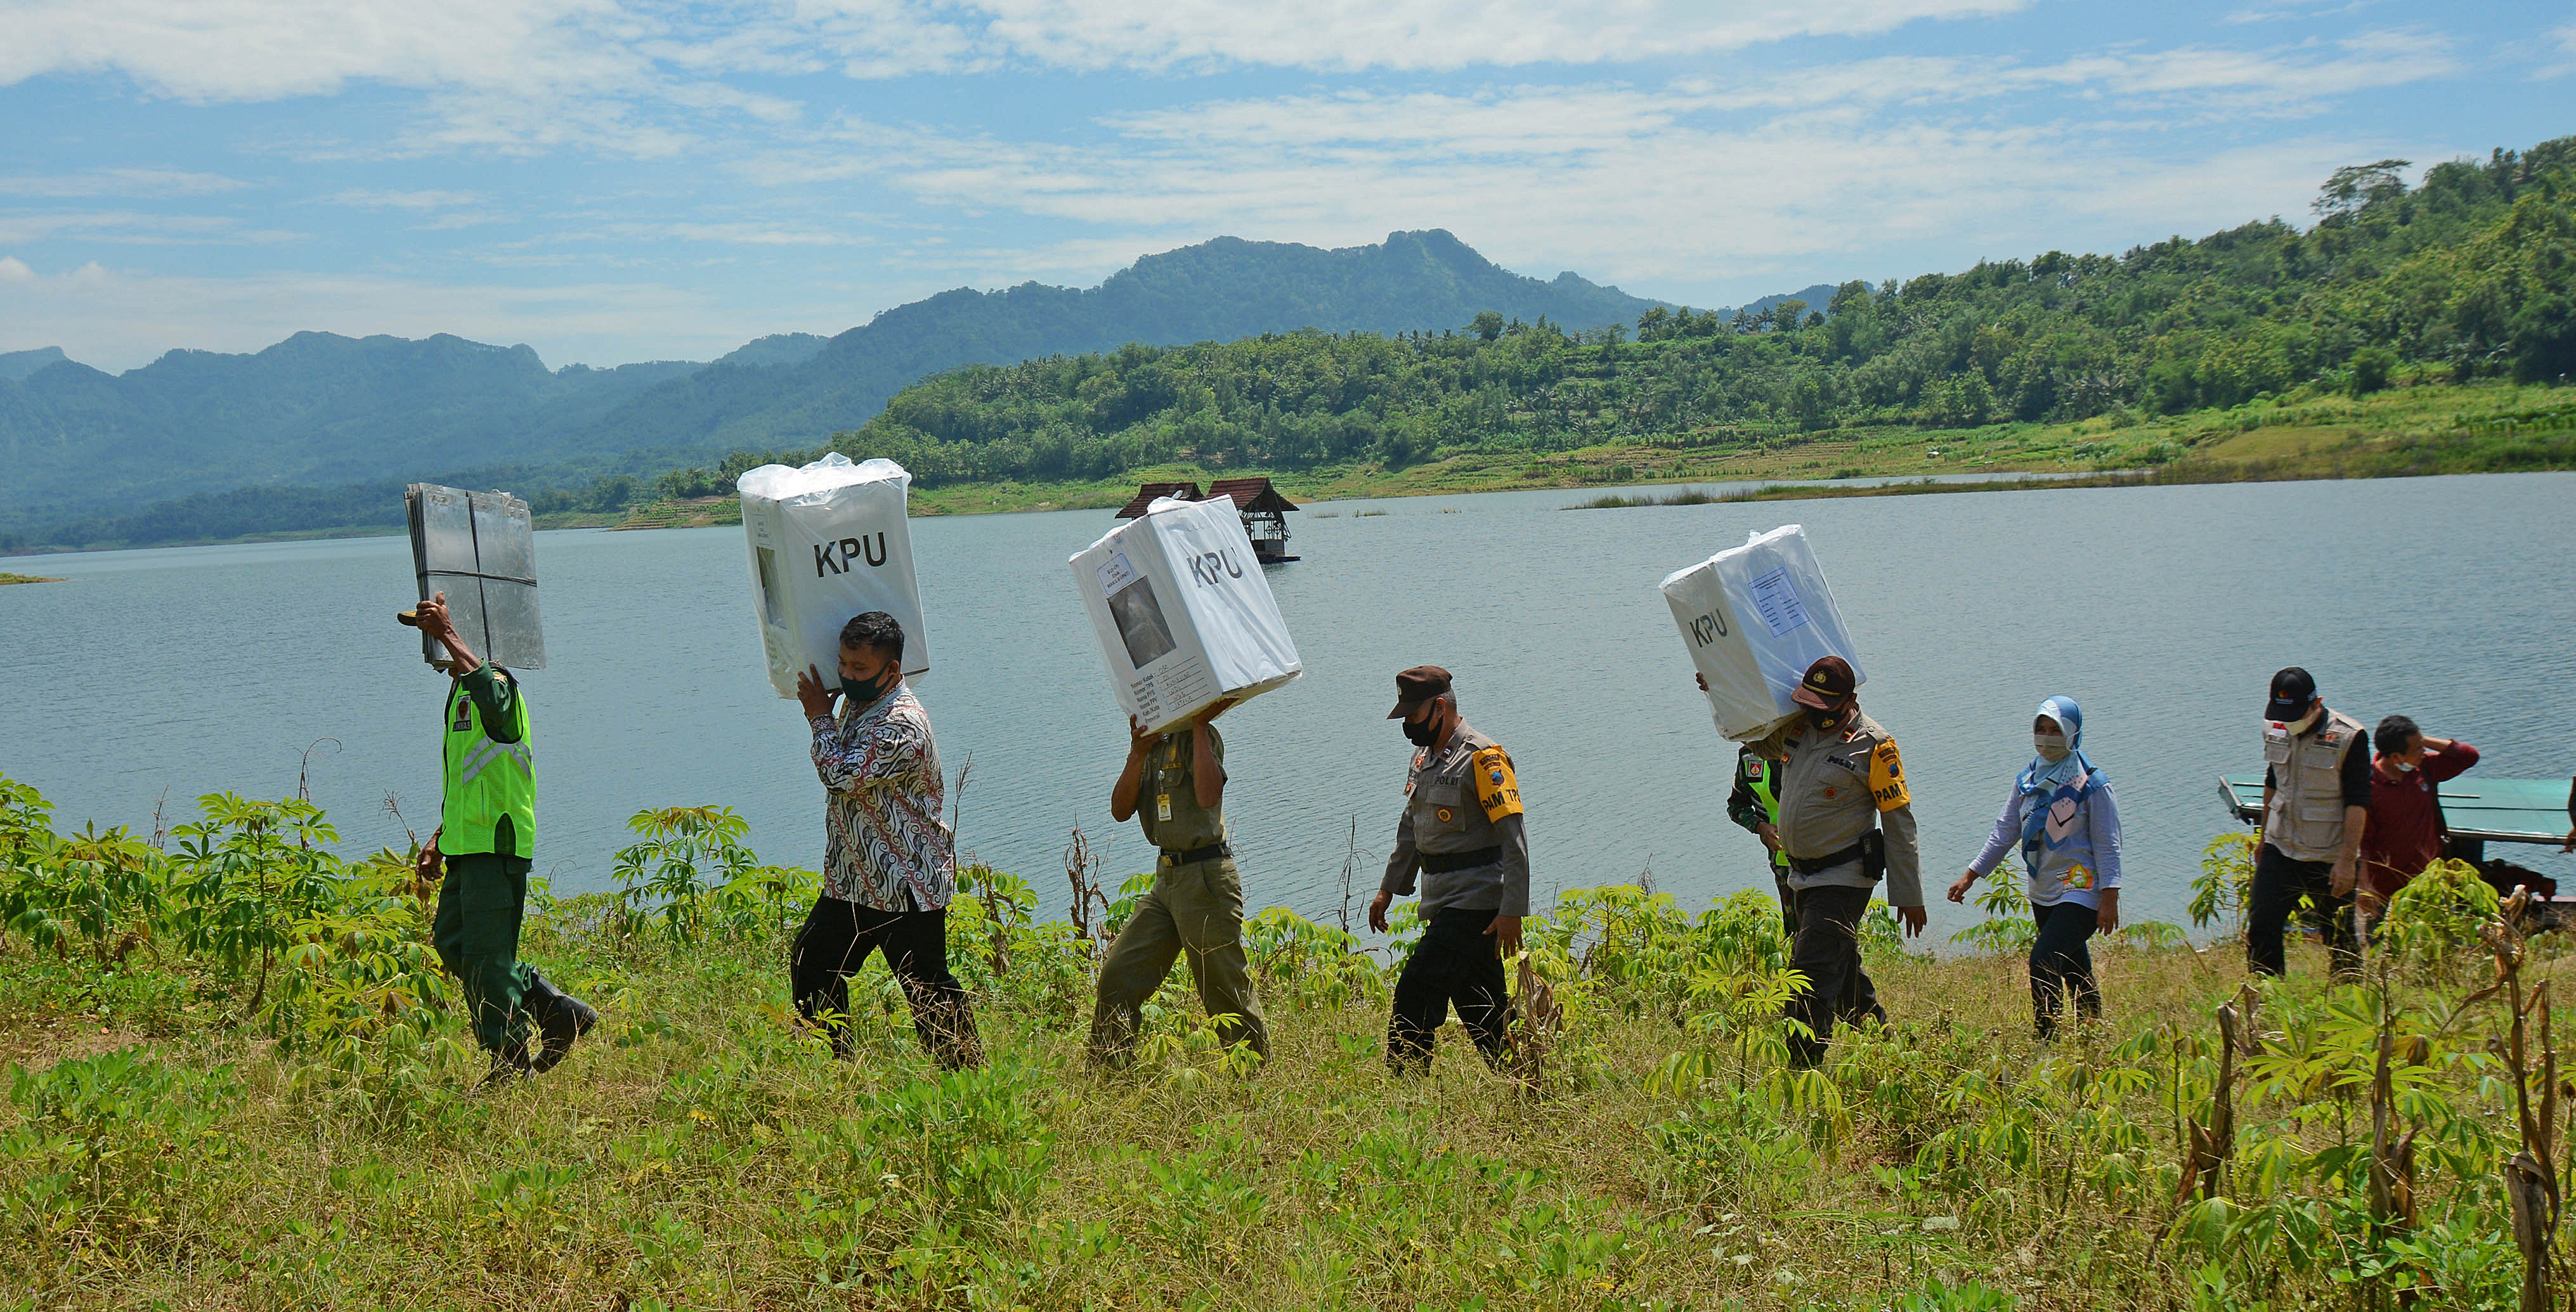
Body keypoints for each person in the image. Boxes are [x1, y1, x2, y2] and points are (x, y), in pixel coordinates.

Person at [411, 590, 595, 1086]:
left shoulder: (498, 686)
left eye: (436, 636)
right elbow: (473, 780)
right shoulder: (461, 694)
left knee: (486, 959)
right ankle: (553, 1007)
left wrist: (450, 633)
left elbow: (493, 698)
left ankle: (511, 1063)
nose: (433, 650)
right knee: (453, 942)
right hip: (466, 847)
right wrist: (438, 837)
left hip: (496, 847)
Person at [788, 612, 982, 1069]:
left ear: (892, 670)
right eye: (843, 663)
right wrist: (829, 713)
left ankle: (968, 1081)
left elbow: (841, 776)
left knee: (928, 990)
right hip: (855, 882)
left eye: (859, 667)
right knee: (811, 962)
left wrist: (818, 717)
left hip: (906, 884)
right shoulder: (862, 704)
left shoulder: (902, 724)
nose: (847, 675)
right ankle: (836, 1066)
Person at [1089, 696, 1270, 1065]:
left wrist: (1200, 726)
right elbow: (1120, 810)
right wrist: (1137, 752)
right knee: (1118, 976)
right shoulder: (1151, 746)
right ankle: (1108, 1072)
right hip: (1166, 880)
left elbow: (1208, 795)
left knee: (1224, 991)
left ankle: (1256, 1079)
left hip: (1206, 877)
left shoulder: (1200, 737)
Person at [1369, 666, 1528, 1074]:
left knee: (1415, 992)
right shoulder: (1423, 758)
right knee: (1483, 1010)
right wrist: (1388, 889)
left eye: (1413, 714)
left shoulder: (1483, 758)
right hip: (1442, 902)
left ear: (1440, 707)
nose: (1407, 724)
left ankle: (1406, 1085)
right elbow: (1411, 829)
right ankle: (1528, 1082)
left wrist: (1512, 912)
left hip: (1475, 905)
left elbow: (1514, 840)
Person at [1770, 655, 1926, 1067]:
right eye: (1809, 703)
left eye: (1825, 706)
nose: (1815, 713)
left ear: (1850, 700)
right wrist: (1719, 686)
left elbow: (1899, 823)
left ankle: (1802, 1071)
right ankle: (1887, 1049)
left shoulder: (1875, 746)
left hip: (1843, 878)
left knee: (1808, 976)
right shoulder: (1798, 727)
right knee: (1841, 976)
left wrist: (1909, 895)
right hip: (1801, 876)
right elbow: (1751, 734)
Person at [1948, 697, 2121, 1039]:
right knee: (2073, 966)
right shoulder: (2028, 780)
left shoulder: (2093, 785)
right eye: (2041, 729)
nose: (2046, 737)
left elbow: (2108, 844)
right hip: (2043, 889)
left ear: (2073, 734)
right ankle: (2094, 1033)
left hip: (2081, 888)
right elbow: (2005, 831)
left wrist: (2110, 898)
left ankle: (2047, 1037)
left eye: (2055, 730)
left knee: (2044, 959)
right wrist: (1971, 876)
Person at [2247, 667, 2371, 980]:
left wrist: (2347, 860)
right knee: (2262, 924)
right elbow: (2273, 781)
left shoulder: (2349, 737)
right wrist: (2263, 838)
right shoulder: (2275, 728)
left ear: (2317, 703)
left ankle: (2349, 994)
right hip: (2280, 846)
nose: (2290, 722)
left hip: (2329, 854)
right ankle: (2266, 995)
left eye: (2297, 714)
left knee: (2339, 933)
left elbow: (2358, 802)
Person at [2358, 715, 2478, 930]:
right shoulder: (2369, 787)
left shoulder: (2424, 769)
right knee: (2384, 946)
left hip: (2430, 886)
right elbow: (2363, 843)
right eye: (2417, 749)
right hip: (2387, 893)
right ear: (2396, 757)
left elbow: (2468, 756)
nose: (2423, 752)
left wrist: (2421, 740)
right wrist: (2364, 887)